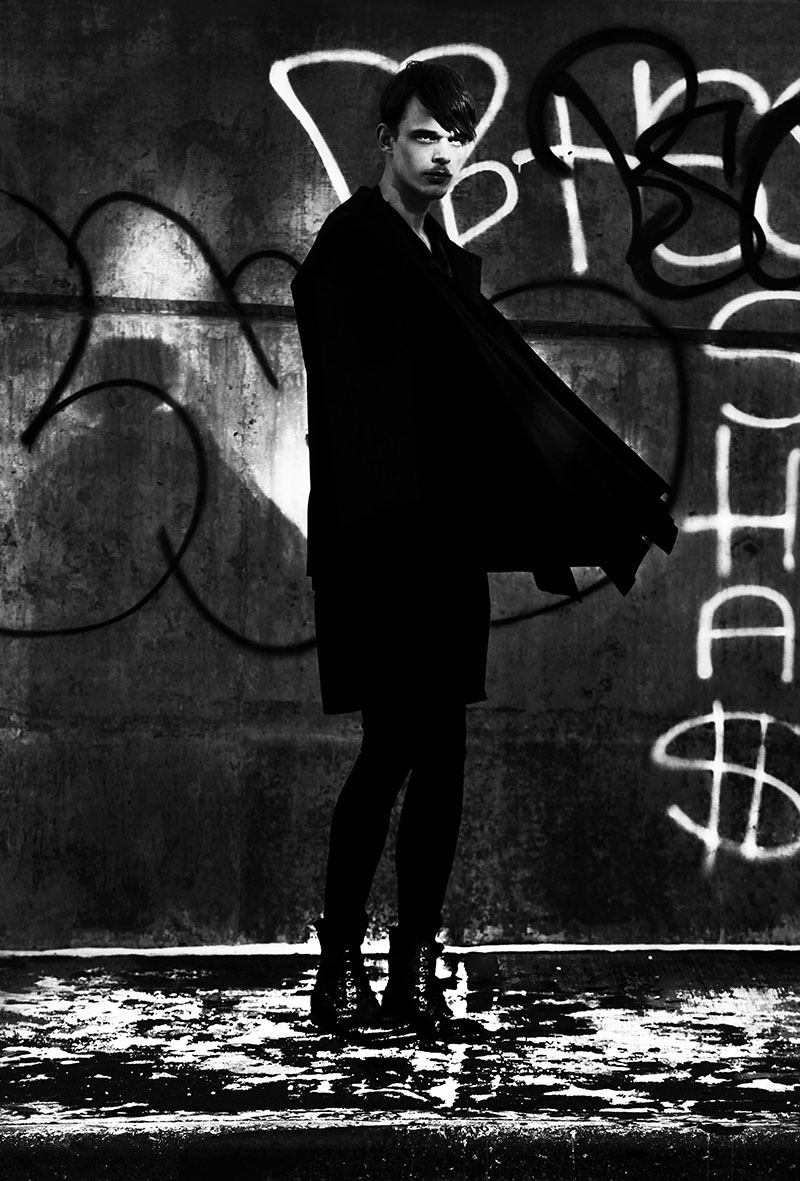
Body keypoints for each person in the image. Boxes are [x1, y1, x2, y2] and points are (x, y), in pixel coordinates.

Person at [291, 61, 677, 1036]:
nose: (442, 155)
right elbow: (360, 412)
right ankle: (339, 967)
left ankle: (411, 970)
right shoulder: (353, 248)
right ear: (386, 140)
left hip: (443, 544)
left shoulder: (445, 263)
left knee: (443, 752)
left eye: (456, 140)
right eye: (424, 136)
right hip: (378, 547)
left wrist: (576, 485)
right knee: (391, 748)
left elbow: (483, 406)